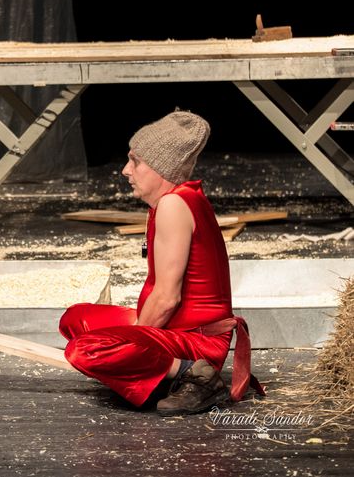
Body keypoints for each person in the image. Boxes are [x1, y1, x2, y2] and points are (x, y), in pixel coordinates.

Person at [59, 110, 264, 415]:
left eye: (135, 161)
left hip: (198, 342)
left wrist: (133, 343)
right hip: (177, 331)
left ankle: (196, 376)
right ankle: (163, 373)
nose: (126, 170)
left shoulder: (173, 204)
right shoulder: (174, 200)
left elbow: (168, 298)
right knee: (76, 319)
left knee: (83, 350)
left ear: (160, 168)